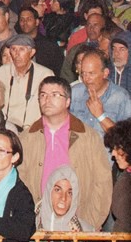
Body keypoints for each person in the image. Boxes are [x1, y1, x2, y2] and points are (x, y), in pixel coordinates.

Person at [18, 76, 113, 228]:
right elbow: (18, 183)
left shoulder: (88, 137)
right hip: (36, 224)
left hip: (79, 222)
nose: (47, 99)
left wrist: (90, 223)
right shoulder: (26, 138)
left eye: (55, 95)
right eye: (43, 95)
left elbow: (102, 183)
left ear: (68, 101)